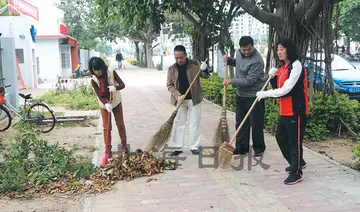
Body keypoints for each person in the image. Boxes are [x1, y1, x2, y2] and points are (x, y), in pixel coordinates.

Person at [256, 38, 308, 185]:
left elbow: (286, 90)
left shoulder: (296, 66)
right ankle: (297, 162)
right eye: (277, 49)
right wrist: (273, 76)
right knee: (280, 137)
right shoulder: (284, 67)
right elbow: (279, 85)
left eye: (281, 49)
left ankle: (296, 172)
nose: (278, 52)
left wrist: (265, 94)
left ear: (289, 50)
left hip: (295, 111)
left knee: (294, 142)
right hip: (284, 110)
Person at [223, 36, 267, 157]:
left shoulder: (257, 61)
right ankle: (241, 147)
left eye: (248, 49)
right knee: (240, 121)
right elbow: (239, 64)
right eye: (244, 50)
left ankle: (259, 148)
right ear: (240, 48)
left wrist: (232, 81)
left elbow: (250, 81)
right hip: (241, 94)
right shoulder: (239, 52)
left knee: (256, 123)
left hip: (255, 94)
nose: (246, 52)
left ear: (253, 46)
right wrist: (230, 61)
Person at [166, 45, 210, 156]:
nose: (179, 60)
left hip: (194, 99)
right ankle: (177, 147)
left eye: (181, 57)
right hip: (180, 101)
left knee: (194, 123)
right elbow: (169, 85)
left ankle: (194, 146)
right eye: (176, 58)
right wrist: (177, 95)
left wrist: (205, 68)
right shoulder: (171, 69)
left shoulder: (195, 64)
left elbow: (205, 76)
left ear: (186, 55)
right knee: (179, 123)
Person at [89, 57, 128, 166]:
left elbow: (122, 84)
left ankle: (124, 147)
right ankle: (107, 150)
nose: (98, 72)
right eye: (95, 70)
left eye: (99, 69)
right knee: (107, 127)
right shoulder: (93, 80)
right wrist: (106, 103)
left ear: (102, 67)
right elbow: (99, 94)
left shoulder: (111, 72)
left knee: (120, 124)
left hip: (116, 102)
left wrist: (115, 88)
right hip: (104, 105)